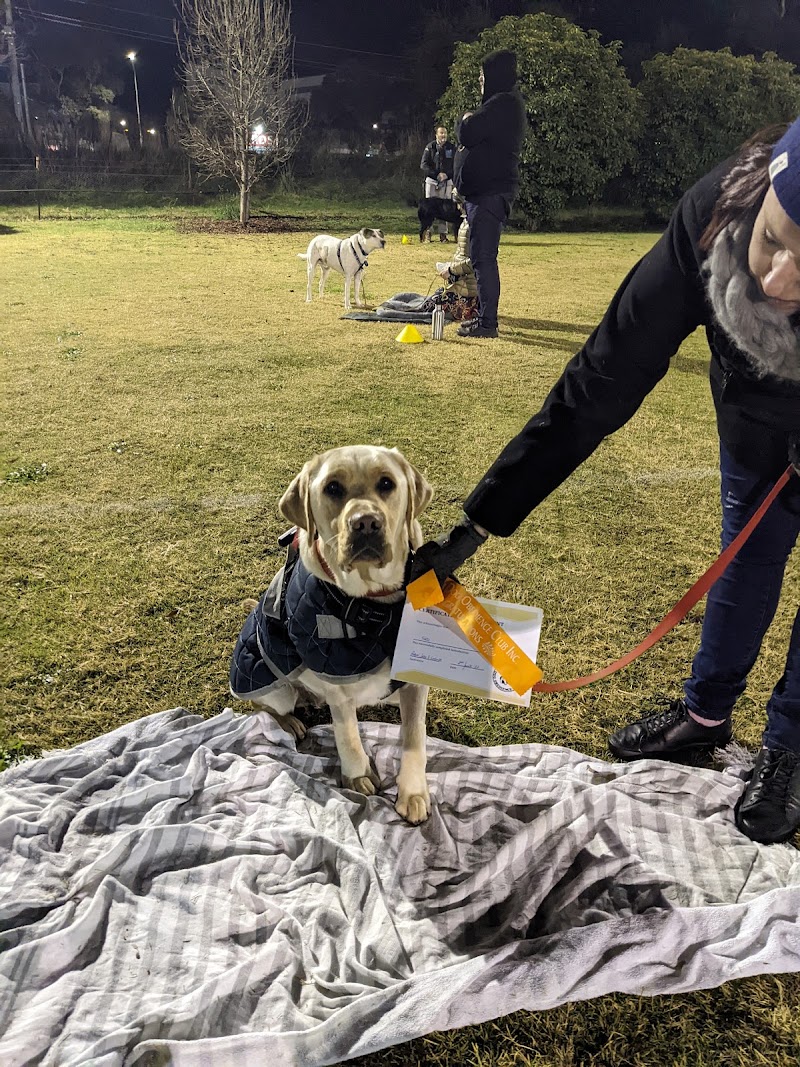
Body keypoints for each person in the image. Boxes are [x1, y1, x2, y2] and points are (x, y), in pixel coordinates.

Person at [411, 118, 800, 844]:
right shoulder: (709, 219)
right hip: (753, 416)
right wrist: (479, 522)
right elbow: (600, 382)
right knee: (747, 552)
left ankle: (791, 748)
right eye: (773, 241)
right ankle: (704, 716)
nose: (777, 281)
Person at [453, 50, 527, 339]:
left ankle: (487, 323)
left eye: (483, 77)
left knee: (484, 258)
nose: (481, 82)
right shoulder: (503, 105)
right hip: (483, 194)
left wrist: (465, 117)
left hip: (490, 195)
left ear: (494, 76)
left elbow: (467, 132)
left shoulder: (503, 104)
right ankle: (483, 317)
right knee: (480, 257)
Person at [432, 195, 479, 322]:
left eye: (459, 204)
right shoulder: (466, 222)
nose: (457, 208)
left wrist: (451, 270)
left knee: (433, 304)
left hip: (468, 290)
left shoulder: (475, 224)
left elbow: (477, 260)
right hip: (462, 282)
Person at [420, 126, 456, 242]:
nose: (443, 136)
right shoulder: (430, 147)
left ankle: (443, 235)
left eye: (445, 133)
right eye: (441, 133)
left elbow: (456, 166)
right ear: (436, 135)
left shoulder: (451, 148)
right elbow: (424, 165)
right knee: (429, 209)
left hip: (446, 182)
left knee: (445, 210)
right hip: (432, 181)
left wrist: (447, 175)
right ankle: (427, 234)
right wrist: (436, 174)